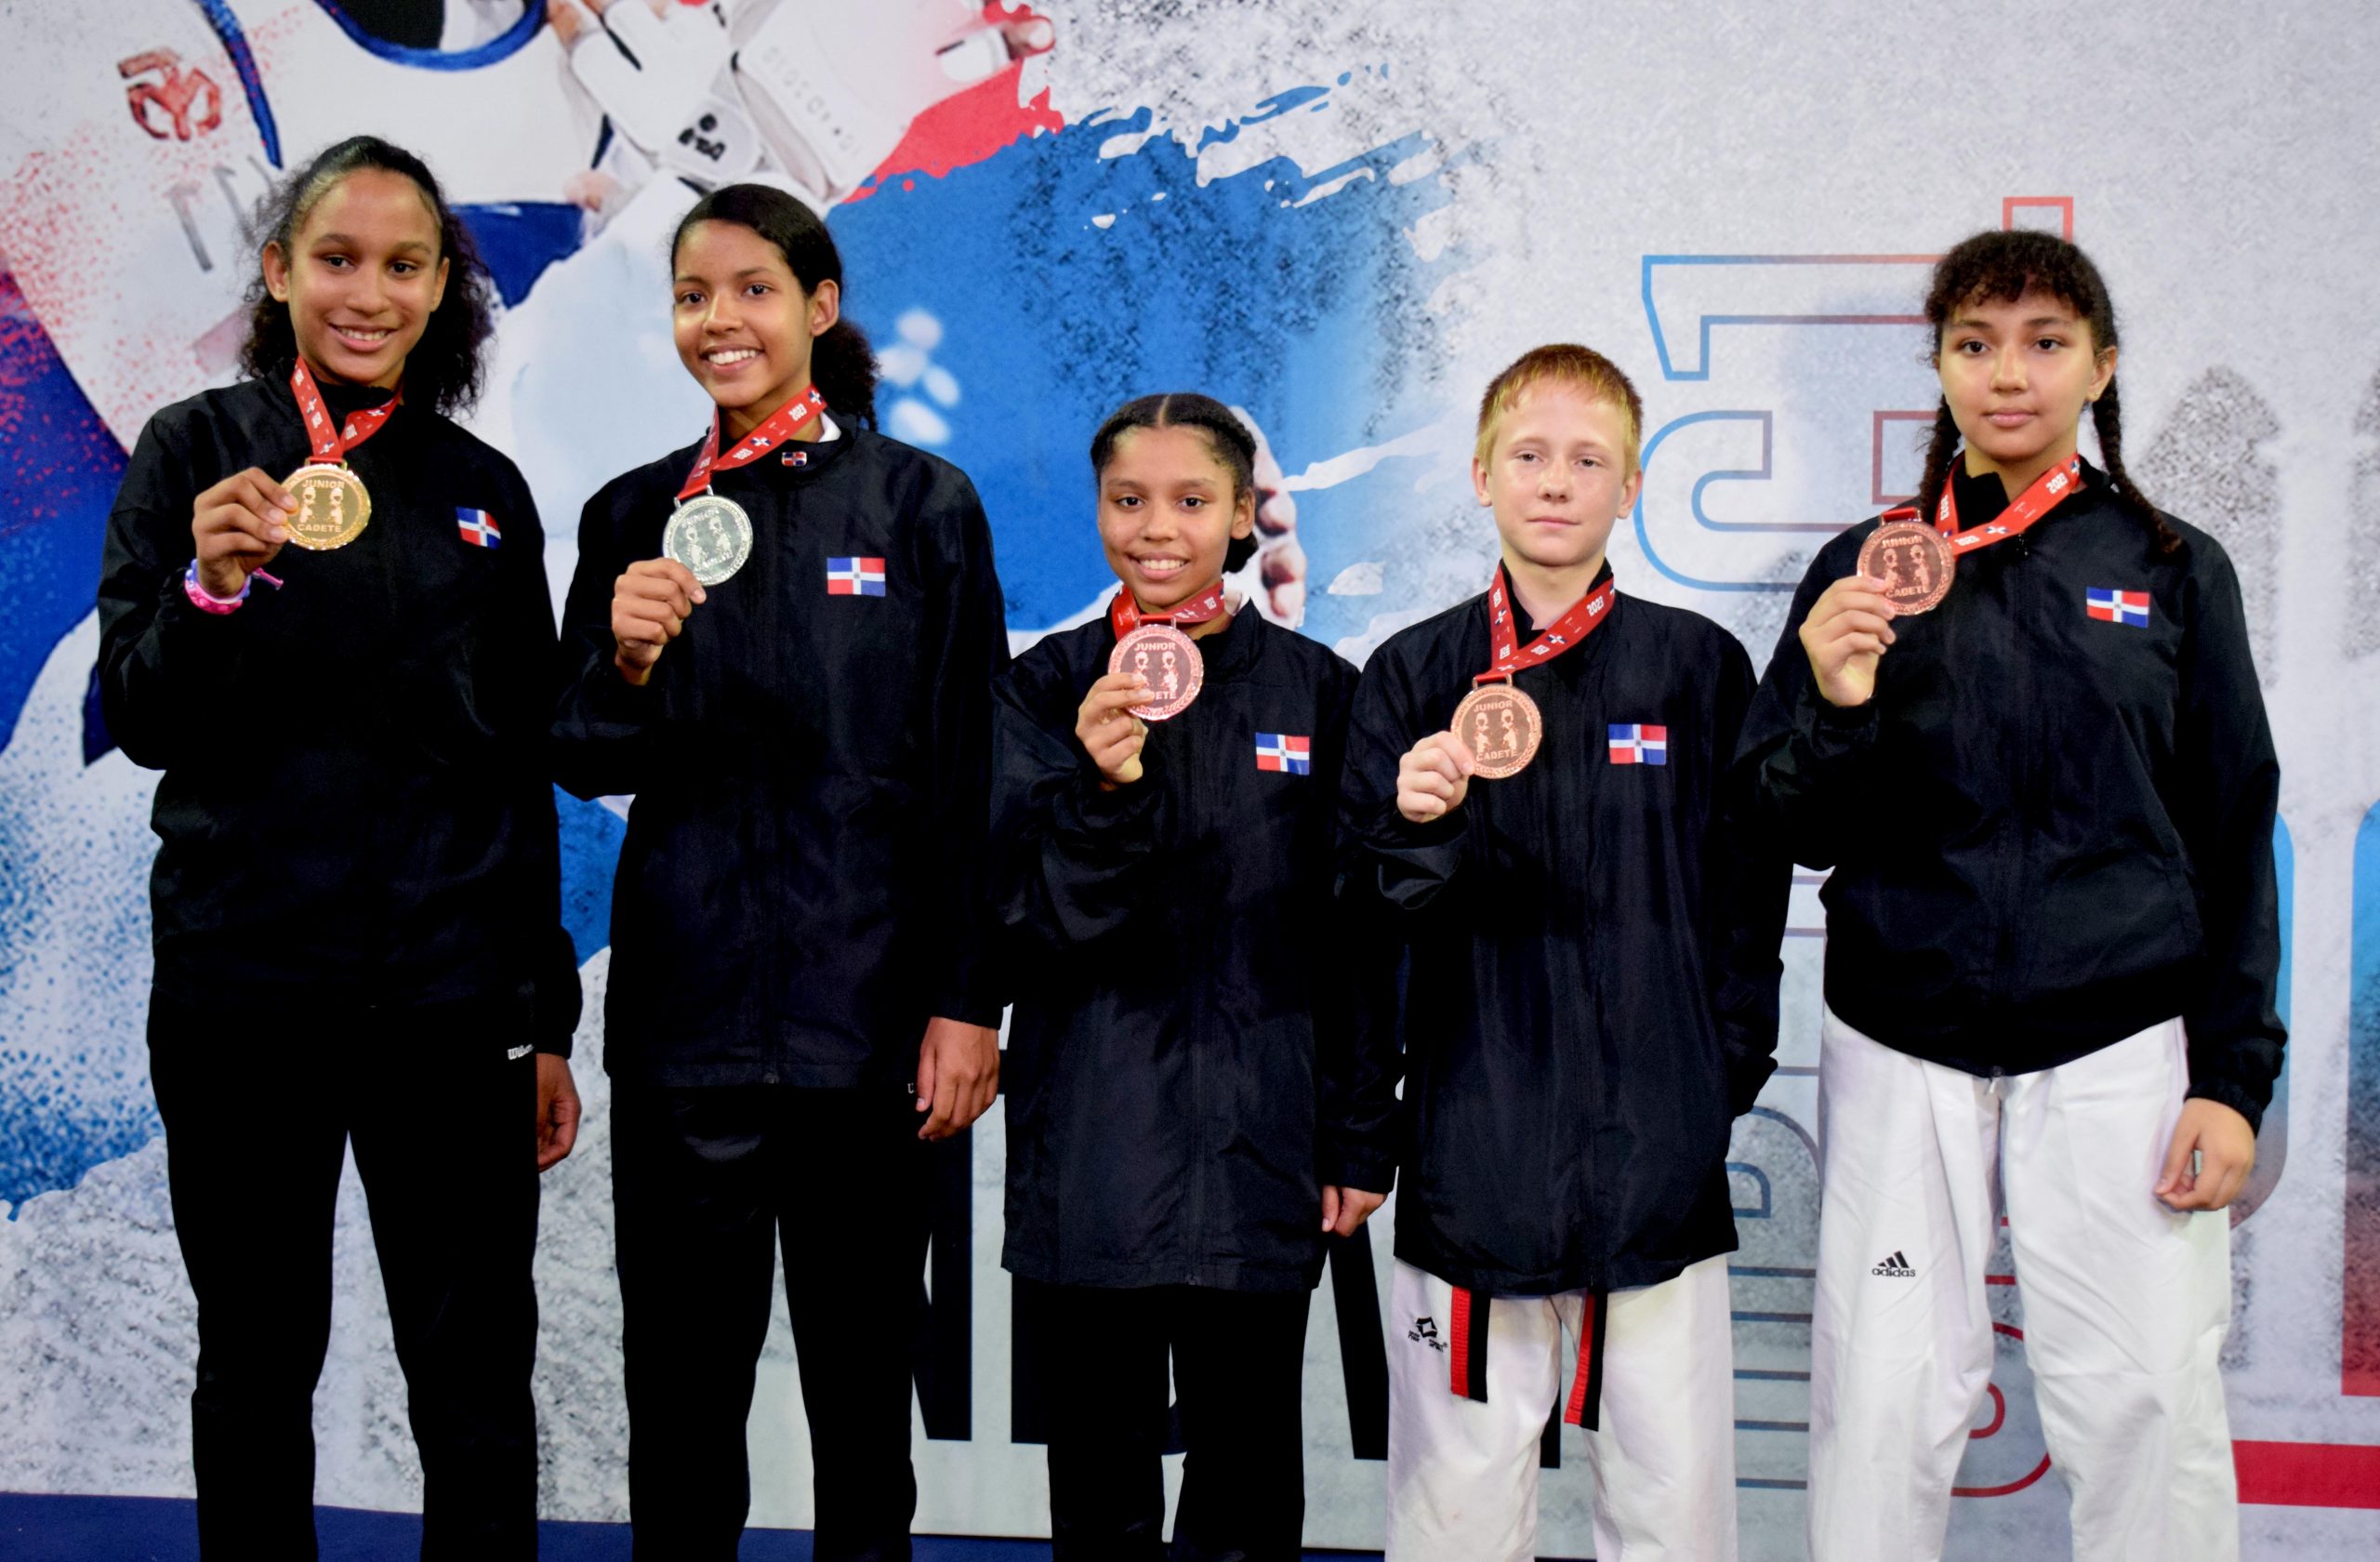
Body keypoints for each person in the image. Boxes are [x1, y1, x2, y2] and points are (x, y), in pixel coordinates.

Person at [1737, 228, 2283, 1562]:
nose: (2009, 374)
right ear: (1938, 368)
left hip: (2119, 1040)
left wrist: (2233, 1078)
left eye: (2046, 342)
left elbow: (2233, 827)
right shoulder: (1868, 569)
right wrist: (1838, 701)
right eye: (1976, 345)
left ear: (2101, 365)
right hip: (1900, 1035)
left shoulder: (2173, 568)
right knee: (1882, 1401)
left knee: (2145, 1401)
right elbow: (1782, 824)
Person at [93, 133, 581, 1559]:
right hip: (246, 994)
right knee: (255, 1367)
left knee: (477, 1383)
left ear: (443, 289)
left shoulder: (484, 486)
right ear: (277, 271)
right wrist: (210, 588)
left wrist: (540, 1018)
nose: (368, 292)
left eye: (404, 265)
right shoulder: (197, 450)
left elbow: (518, 772)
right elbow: (139, 715)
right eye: (338, 259)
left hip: (449, 1004)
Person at [550, 179, 1007, 1560]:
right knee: (678, 1401)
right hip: (687, 1029)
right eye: (694, 295)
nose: (720, 320)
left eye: (753, 289)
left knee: (863, 1403)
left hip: (866, 1033)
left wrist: (969, 1002)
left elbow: (973, 771)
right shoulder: (633, 510)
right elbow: (577, 750)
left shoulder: (922, 503)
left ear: (817, 308)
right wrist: (625, 660)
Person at [1342, 344, 1787, 1562]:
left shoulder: (1697, 669)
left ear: (1631, 486)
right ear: (1482, 475)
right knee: (1457, 1501)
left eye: (1588, 459)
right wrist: (1412, 825)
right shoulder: (1414, 675)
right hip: (1471, 1150)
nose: (1556, 482)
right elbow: (1361, 928)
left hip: (1655, 1153)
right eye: (1529, 455)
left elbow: (1747, 904)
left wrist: (1717, 1082)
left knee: (1670, 1499)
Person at [989, 392, 1395, 1559]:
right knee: (1101, 1502)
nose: (1156, 528)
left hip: (1262, 1149)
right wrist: (1101, 793)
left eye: (1188, 501)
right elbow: (1022, 927)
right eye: (1128, 500)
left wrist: (1360, 1136)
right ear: (1097, 509)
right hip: (1094, 1153)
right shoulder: (1041, 691)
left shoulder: (1319, 692)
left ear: (1237, 519)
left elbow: (1361, 935)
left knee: (1248, 1493)